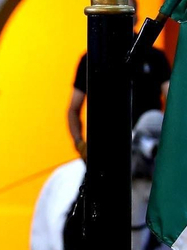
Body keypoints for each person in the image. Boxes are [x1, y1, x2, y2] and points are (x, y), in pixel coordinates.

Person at [66, 19, 171, 156]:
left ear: (136, 19)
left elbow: (173, 103)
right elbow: (73, 109)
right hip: (106, 144)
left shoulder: (155, 57)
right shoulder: (91, 58)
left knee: (152, 118)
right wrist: (80, 144)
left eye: (125, 16)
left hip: (148, 147)